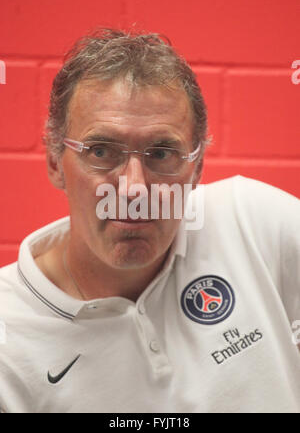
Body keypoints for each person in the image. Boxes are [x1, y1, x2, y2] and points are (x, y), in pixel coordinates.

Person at [0, 28, 299, 414]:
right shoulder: (9, 335)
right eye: (102, 151)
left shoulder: (252, 222)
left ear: (197, 168)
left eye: (161, 153)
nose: (134, 189)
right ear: (56, 162)